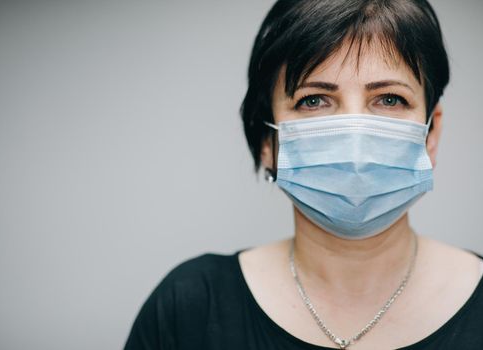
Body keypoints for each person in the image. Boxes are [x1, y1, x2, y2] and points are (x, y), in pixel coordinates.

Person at [125, 0, 483, 349]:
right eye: (313, 100)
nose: (354, 137)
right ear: (268, 140)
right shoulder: (189, 307)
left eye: (389, 99)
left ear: (431, 134)